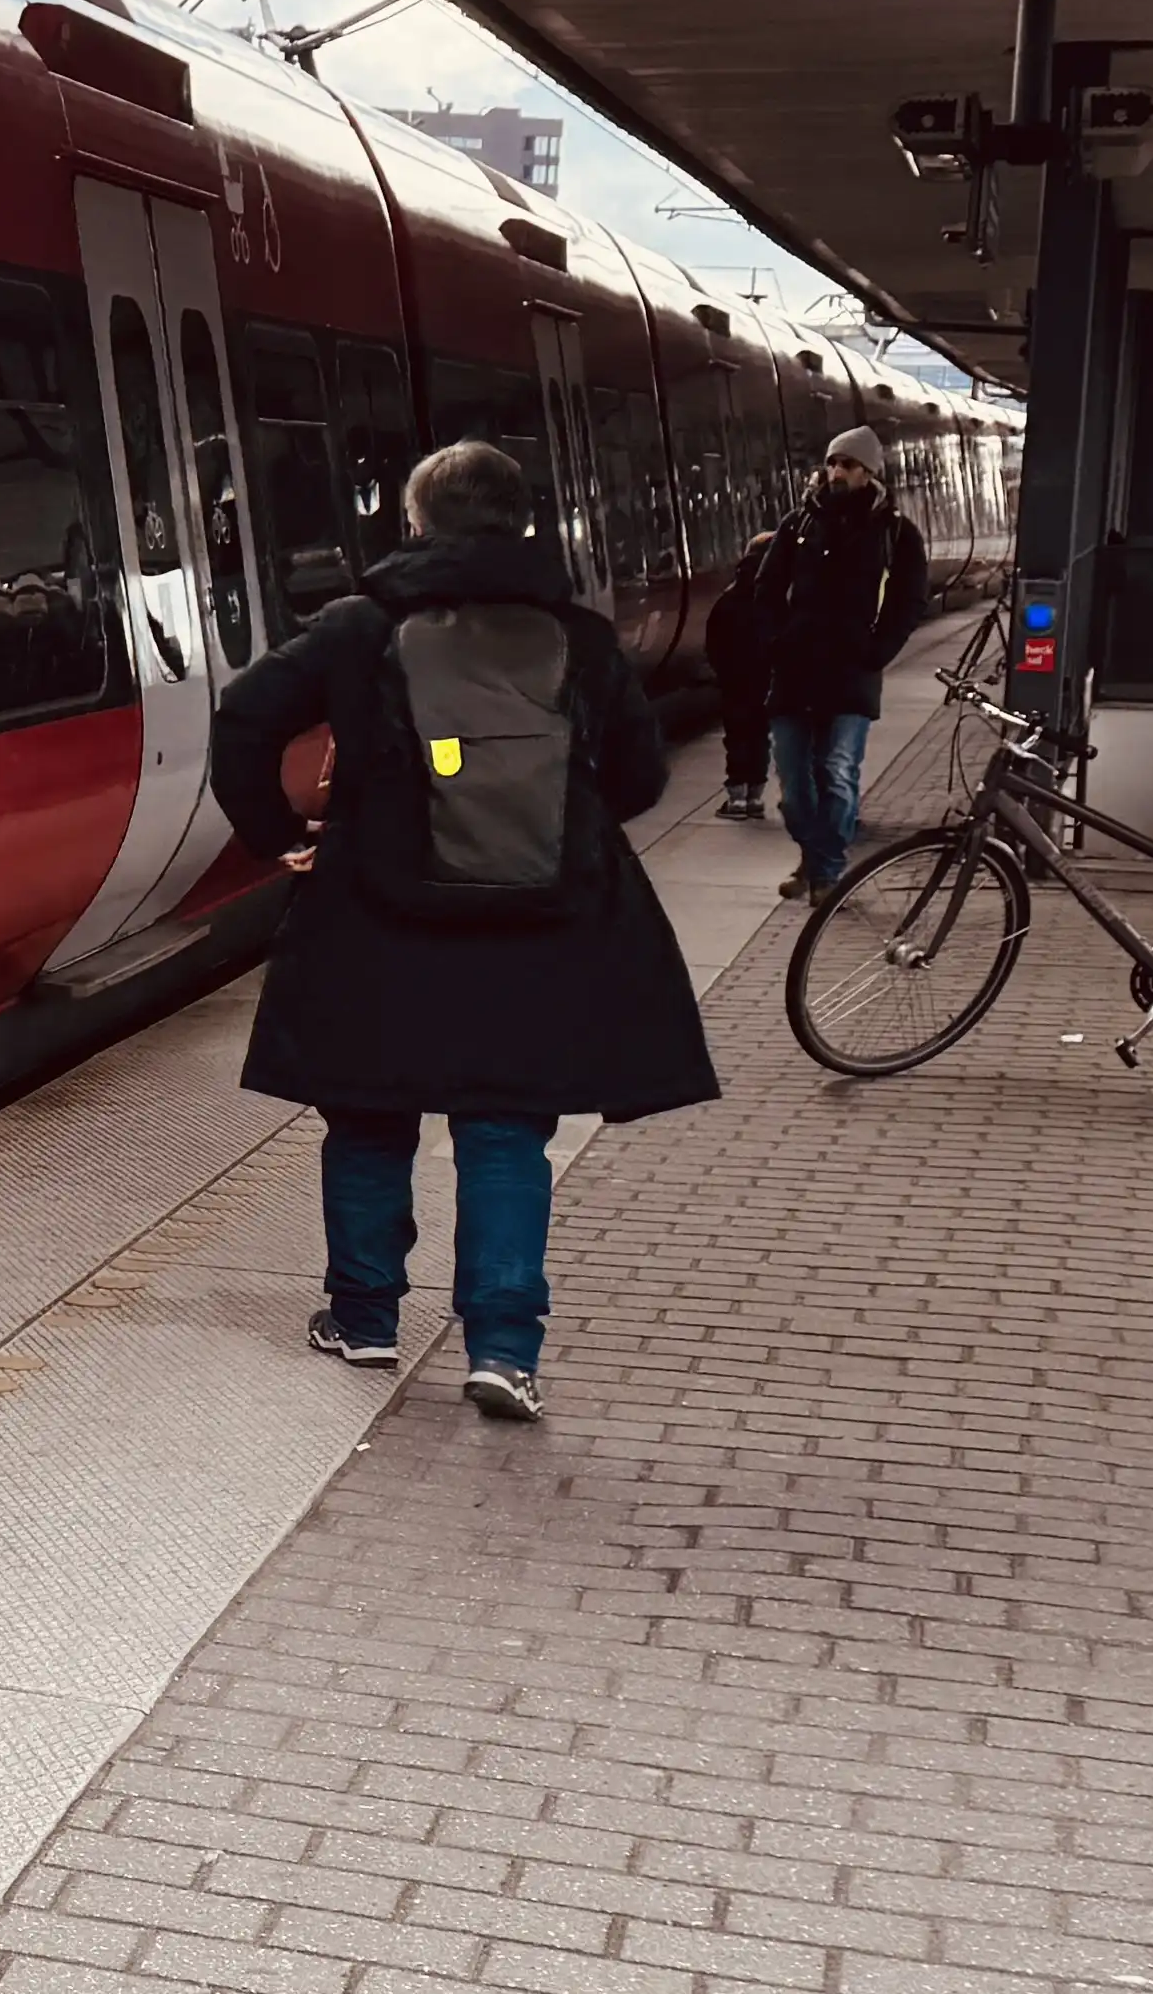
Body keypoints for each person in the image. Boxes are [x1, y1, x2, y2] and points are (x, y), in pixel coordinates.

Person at [212, 438, 720, 1424]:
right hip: (533, 927)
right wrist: (555, 824)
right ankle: (502, 1349)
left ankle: (363, 1318)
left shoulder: (356, 627)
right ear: (524, 523)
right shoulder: (578, 632)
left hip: (376, 915)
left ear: (415, 523)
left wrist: (280, 836)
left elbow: (244, 717)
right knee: (503, 1133)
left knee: (366, 1117)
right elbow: (642, 778)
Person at [757, 426, 930, 894]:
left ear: (868, 472)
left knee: (837, 771)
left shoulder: (896, 532)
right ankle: (813, 860)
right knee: (794, 788)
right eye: (832, 462)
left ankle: (827, 873)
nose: (836, 472)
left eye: (848, 465)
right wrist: (776, 640)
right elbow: (766, 589)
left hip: (852, 673)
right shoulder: (798, 525)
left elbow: (908, 598)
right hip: (794, 671)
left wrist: (877, 650)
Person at [703, 493, 778, 822]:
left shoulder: (728, 598)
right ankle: (756, 797)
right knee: (761, 735)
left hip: (734, 682)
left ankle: (736, 799)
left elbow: (713, 641)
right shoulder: (777, 598)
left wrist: (722, 672)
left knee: (736, 735)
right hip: (766, 680)